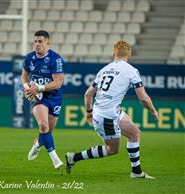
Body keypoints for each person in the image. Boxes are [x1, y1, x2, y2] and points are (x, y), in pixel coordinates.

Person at [65, 40, 158, 178]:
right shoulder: (131, 71)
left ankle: (136, 172)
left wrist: (89, 112)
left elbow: (88, 94)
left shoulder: (104, 69)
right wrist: (153, 110)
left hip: (105, 111)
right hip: (107, 116)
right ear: (129, 54)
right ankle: (74, 157)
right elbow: (143, 98)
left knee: (134, 134)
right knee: (112, 149)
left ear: (114, 53)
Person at [21, 30, 65, 169]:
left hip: (54, 97)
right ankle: (55, 159)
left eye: (40, 41)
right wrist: (27, 86)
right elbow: (24, 76)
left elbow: (58, 83)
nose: (37, 44)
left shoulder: (55, 59)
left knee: (47, 132)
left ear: (47, 42)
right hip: (38, 98)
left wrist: (38, 87)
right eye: (35, 41)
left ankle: (37, 143)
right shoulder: (29, 58)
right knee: (43, 126)